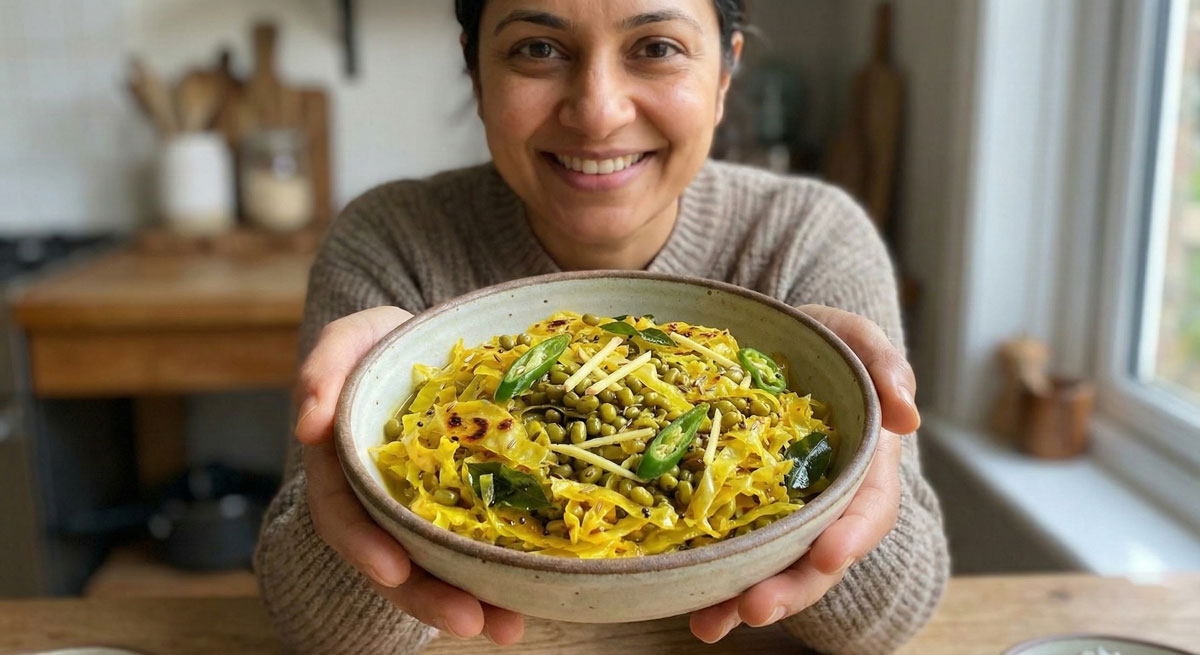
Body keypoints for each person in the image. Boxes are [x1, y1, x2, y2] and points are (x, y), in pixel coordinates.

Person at [254, 1, 949, 653]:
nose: (598, 112)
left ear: (725, 75)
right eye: (537, 48)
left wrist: (855, 461)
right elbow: (312, 627)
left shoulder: (809, 238)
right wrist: (355, 474)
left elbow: (894, 617)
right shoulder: (390, 241)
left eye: (656, 48)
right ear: (476, 73)